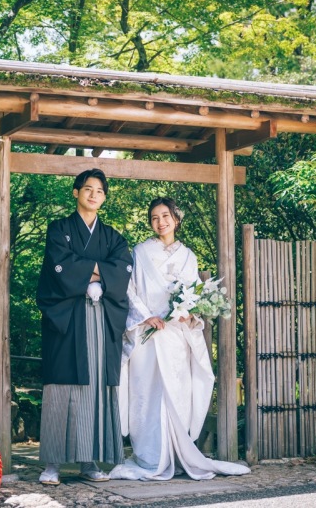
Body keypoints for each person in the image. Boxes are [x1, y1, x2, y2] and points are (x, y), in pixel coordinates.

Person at [109, 197, 251, 481]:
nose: (160, 222)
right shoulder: (139, 252)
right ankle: (149, 455)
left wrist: (188, 314)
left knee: (175, 392)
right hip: (147, 335)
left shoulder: (188, 256)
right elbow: (130, 289)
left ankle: (176, 453)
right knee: (146, 393)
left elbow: (193, 295)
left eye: (165, 216)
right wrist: (146, 317)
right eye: (154, 218)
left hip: (175, 335)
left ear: (176, 219)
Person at [35, 169, 133, 485]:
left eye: (99, 191)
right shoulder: (58, 229)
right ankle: (51, 463)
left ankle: (89, 462)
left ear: (104, 197)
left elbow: (124, 267)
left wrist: (91, 273)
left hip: (100, 320)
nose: (93, 195)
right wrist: (99, 273)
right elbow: (60, 268)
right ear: (76, 192)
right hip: (68, 319)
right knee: (61, 388)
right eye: (87, 189)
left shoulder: (113, 236)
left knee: (96, 390)